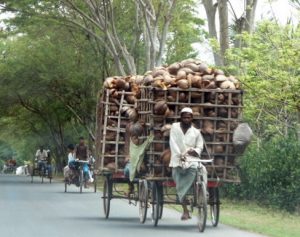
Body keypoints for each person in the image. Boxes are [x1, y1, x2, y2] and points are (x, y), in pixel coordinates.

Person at [169, 107, 207, 220]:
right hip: (177, 158)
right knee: (178, 180)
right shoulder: (174, 127)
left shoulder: (196, 132)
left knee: (199, 168)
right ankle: (185, 210)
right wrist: (180, 154)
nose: (186, 119)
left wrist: (194, 151)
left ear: (192, 118)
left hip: (191, 159)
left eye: (188, 117)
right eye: (184, 117)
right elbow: (173, 142)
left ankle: (201, 192)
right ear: (180, 117)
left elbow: (200, 145)